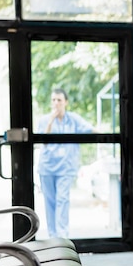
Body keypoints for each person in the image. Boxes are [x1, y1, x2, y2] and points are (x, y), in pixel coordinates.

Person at [37, 88, 94, 238]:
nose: (56, 103)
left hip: (66, 167)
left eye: (59, 100)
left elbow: (90, 129)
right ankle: (52, 236)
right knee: (50, 203)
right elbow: (44, 141)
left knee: (62, 199)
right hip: (47, 168)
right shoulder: (44, 120)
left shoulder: (73, 119)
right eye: (53, 100)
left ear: (65, 102)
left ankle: (61, 236)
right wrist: (51, 121)